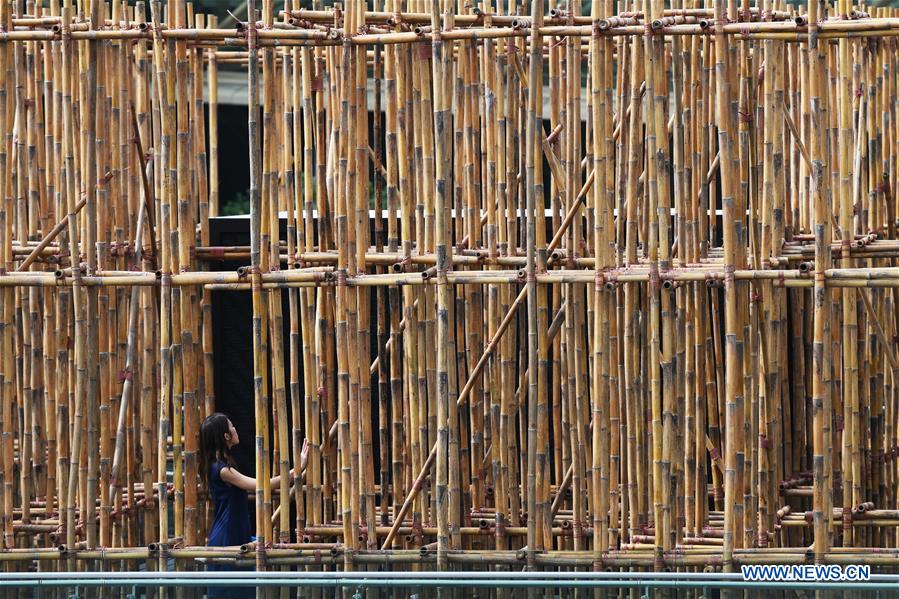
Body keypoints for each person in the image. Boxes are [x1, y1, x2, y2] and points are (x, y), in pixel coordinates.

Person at [200, 412, 308, 598]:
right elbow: (261, 485)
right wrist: (298, 469)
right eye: (232, 426)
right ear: (226, 436)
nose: (235, 429)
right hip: (228, 538)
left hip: (233, 534)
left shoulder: (218, 467)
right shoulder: (222, 470)